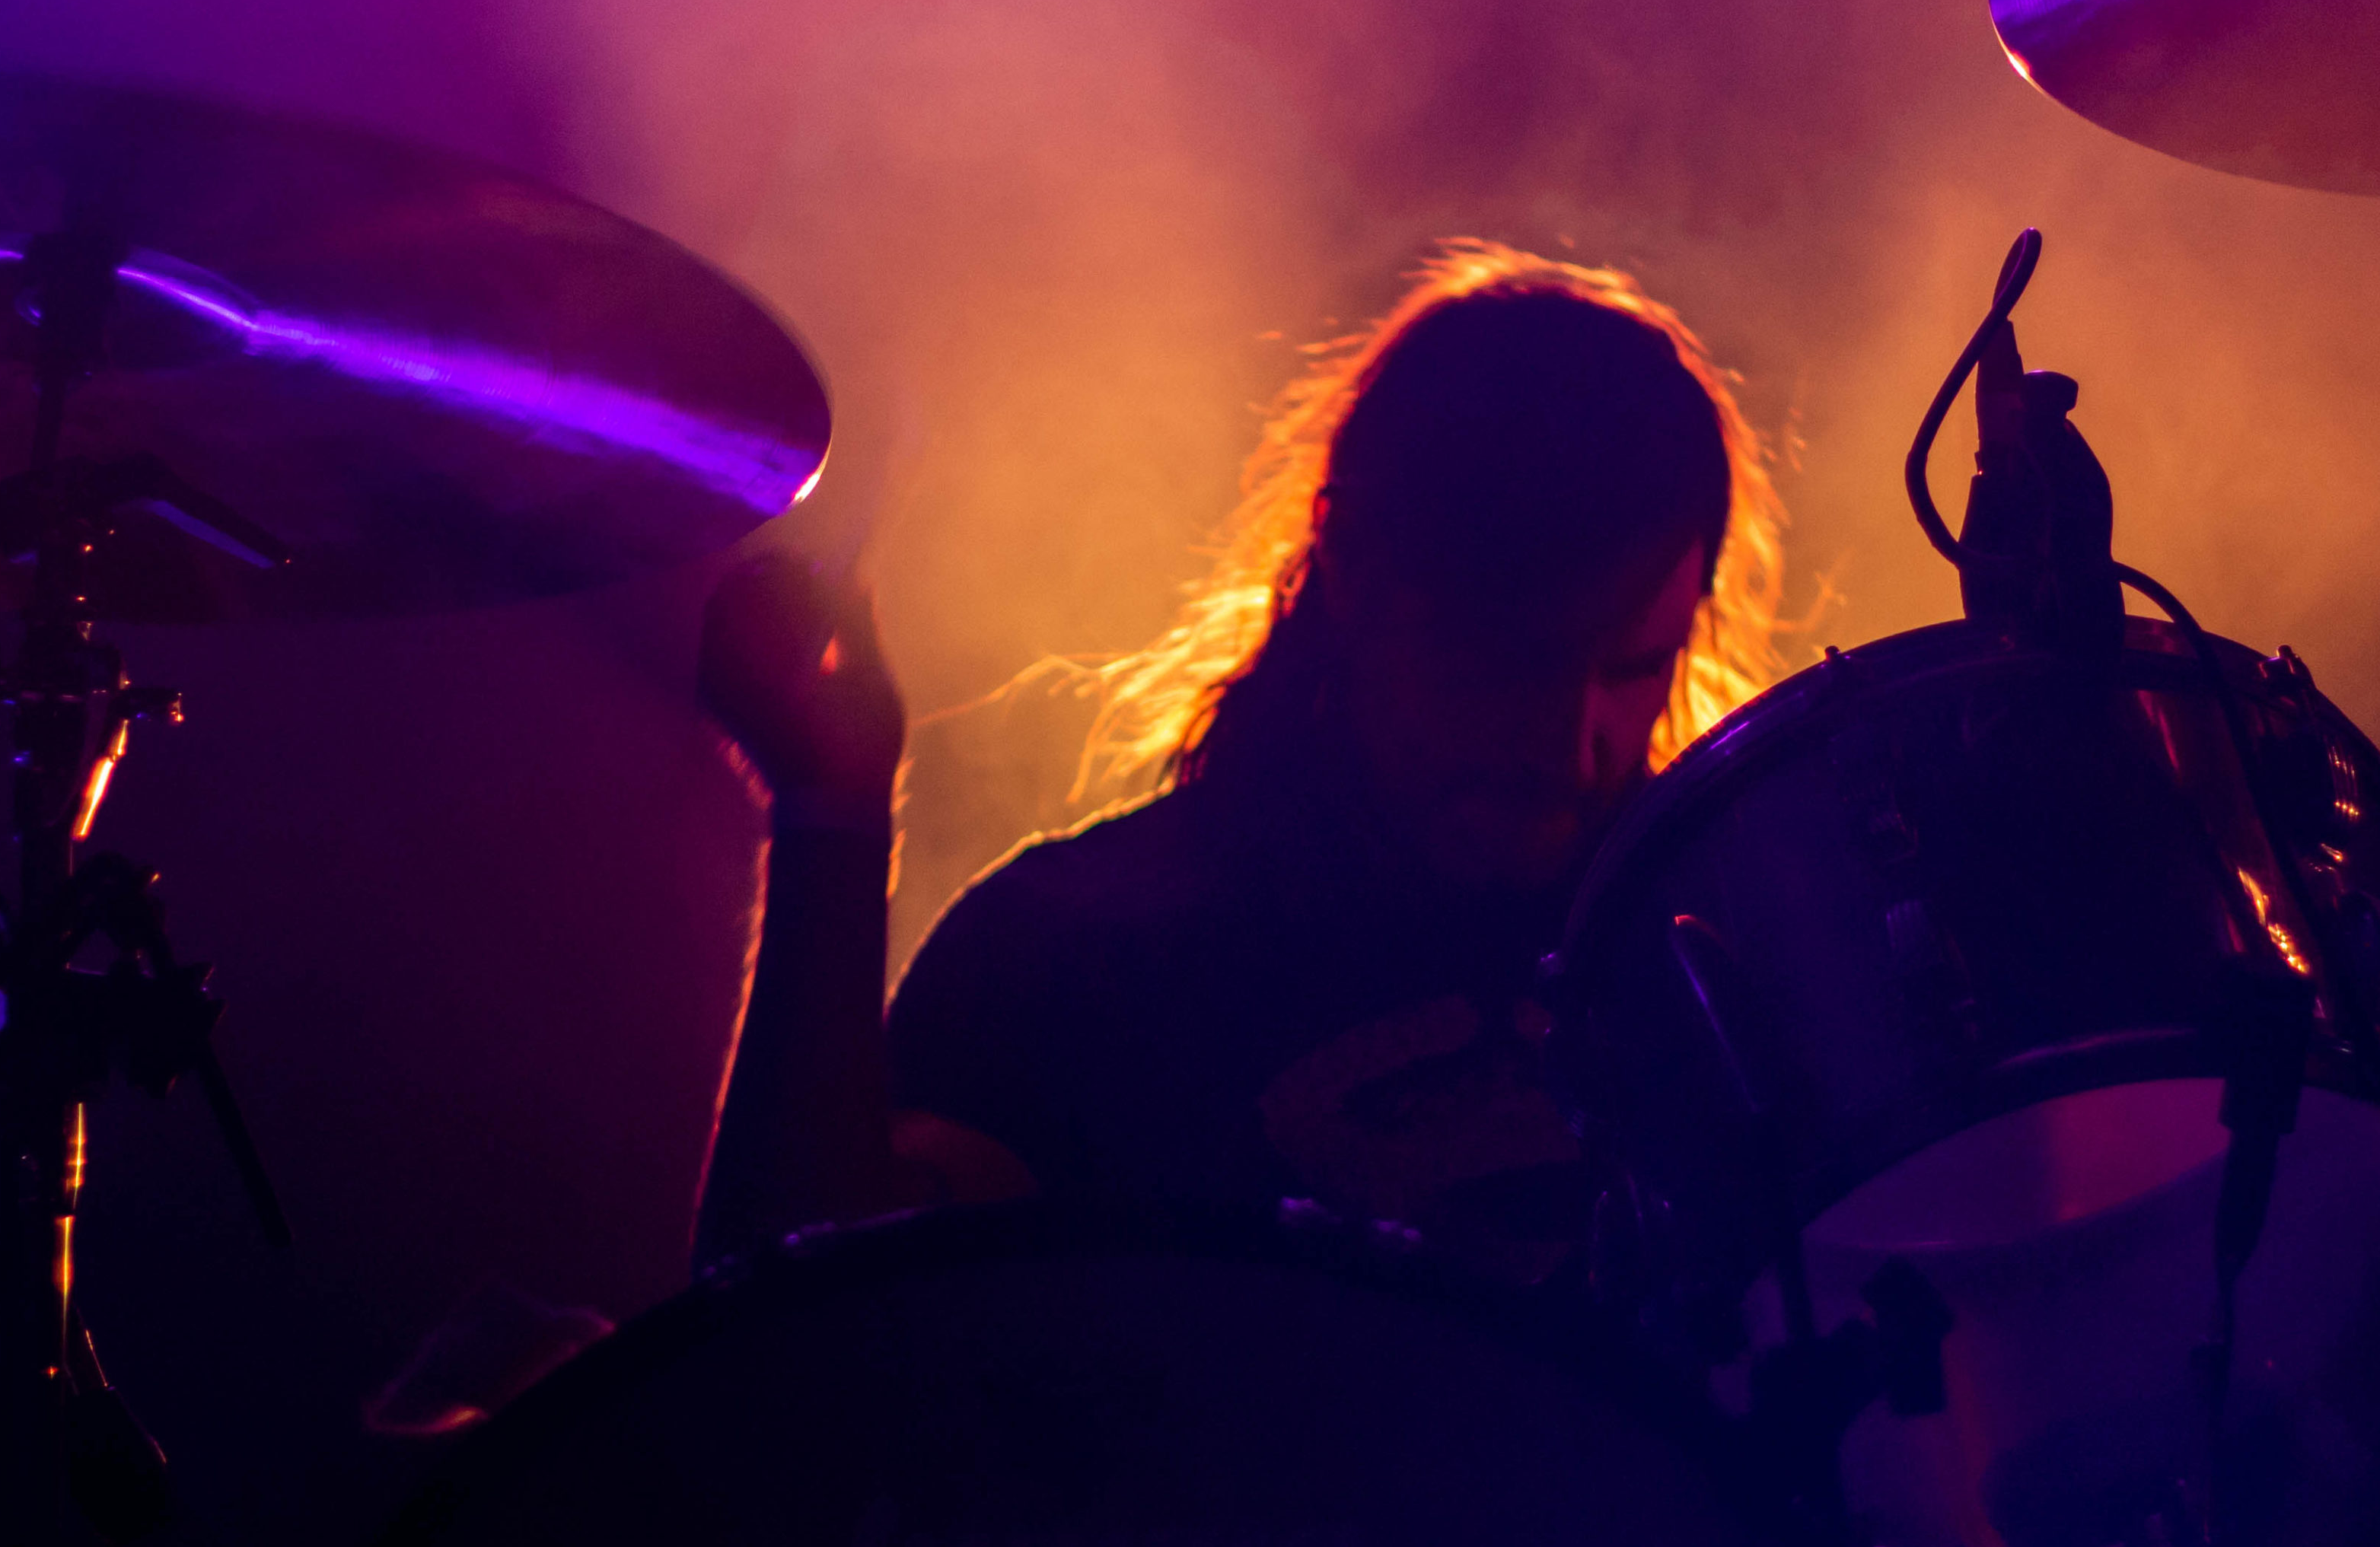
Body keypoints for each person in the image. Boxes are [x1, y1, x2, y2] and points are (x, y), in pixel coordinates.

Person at [690, 244, 1789, 1280]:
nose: (1569, 740)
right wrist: (828, 802)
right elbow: (791, 1365)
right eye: (1507, 659)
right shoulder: (1078, 955)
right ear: (1350, 566)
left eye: (1637, 666)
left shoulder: (1749, 954)